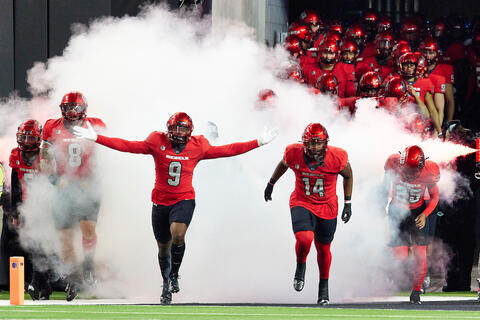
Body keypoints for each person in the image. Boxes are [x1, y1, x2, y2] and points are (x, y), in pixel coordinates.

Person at [72, 112, 278, 304]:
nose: (179, 133)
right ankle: (166, 284)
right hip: (160, 202)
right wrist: (98, 138)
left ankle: (174, 275)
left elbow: (228, 150)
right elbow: (129, 146)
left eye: (183, 129)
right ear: (168, 129)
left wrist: (258, 142)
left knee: (178, 235)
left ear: (190, 131)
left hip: (184, 199)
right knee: (163, 247)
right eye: (176, 129)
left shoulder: (198, 145)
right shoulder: (156, 141)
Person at [264, 123, 353, 305]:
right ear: (304, 143)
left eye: (318, 143)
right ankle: (300, 265)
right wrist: (271, 183)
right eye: (311, 143)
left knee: (323, 248)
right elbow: (283, 164)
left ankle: (323, 289)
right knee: (304, 239)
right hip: (302, 201)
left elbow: (349, 175)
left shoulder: (337, 157)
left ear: (325, 143)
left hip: (327, 205)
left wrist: (348, 203)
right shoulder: (293, 152)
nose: (314, 147)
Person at [39, 92, 106, 301]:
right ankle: (72, 279)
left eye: (75, 108)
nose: (71, 112)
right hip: (65, 187)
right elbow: (45, 157)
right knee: (65, 238)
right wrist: (54, 180)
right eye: (67, 108)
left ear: (84, 108)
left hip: (88, 185)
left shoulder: (95, 125)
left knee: (88, 230)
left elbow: (107, 156)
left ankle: (88, 264)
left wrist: (94, 179)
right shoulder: (52, 126)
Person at [383, 145, 440, 304]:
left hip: (417, 212)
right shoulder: (392, 162)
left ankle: (416, 292)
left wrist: (424, 214)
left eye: (412, 169)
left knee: (420, 255)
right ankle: (396, 279)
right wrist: (382, 206)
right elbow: (385, 186)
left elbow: (435, 197)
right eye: (406, 168)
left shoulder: (429, 170)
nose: (408, 173)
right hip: (397, 210)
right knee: (399, 256)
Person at [9, 120, 52, 300]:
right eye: (23, 137)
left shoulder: (46, 152)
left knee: (40, 244)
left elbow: (53, 180)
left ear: (38, 137)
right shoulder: (15, 154)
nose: (26, 141)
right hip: (27, 206)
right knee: (33, 244)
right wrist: (15, 212)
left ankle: (36, 282)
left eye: (30, 137)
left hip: (46, 204)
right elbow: (15, 185)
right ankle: (45, 285)